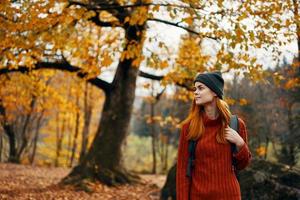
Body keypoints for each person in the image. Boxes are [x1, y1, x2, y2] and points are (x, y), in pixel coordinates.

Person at [176, 71, 252, 200]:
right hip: (198, 196)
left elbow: (242, 165)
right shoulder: (189, 127)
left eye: (201, 88)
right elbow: (182, 171)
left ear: (215, 92)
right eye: (195, 88)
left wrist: (240, 143)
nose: (195, 92)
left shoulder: (236, 124)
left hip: (230, 196)